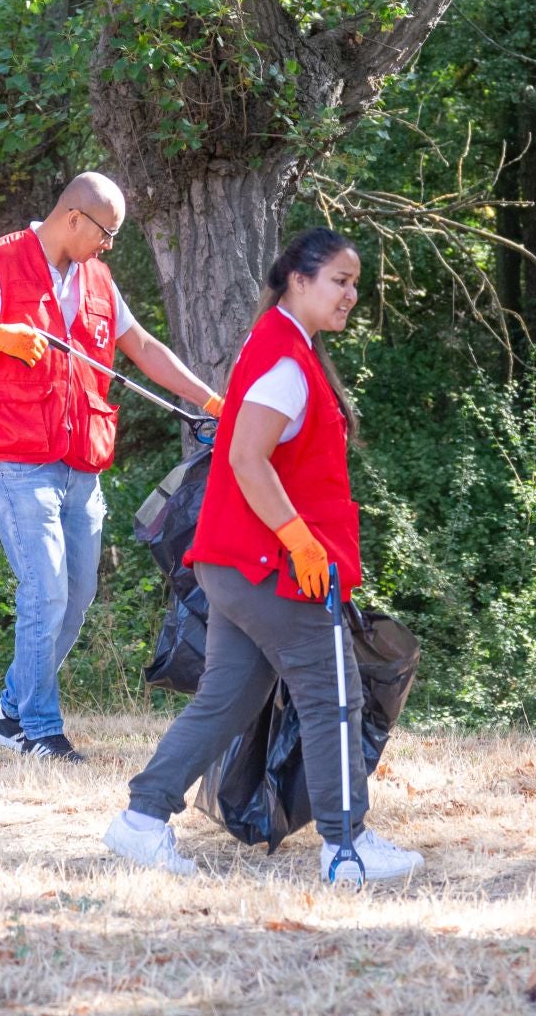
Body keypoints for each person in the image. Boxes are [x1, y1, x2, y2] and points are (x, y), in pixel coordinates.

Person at [103, 228, 423, 883]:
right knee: (333, 695)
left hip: (235, 562)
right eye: (340, 281)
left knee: (226, 700)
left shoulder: (278, 343)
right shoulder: (285, 362)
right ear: (299, 280)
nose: (351, 295)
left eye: (355, 284)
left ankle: (141, 820)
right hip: (270, 566)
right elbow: (248, 460)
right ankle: (346, 848)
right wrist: (300, 541)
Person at [0, 172, 222, 761]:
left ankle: (9, 712)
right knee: (45, 592)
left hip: (82, 467)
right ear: (74, 217)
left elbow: (143, 347)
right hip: (19, 463)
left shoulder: (98, 278)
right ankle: (39, 731)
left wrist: (210, 401)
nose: (109, 245)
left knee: (75, 598)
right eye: (106, 232)